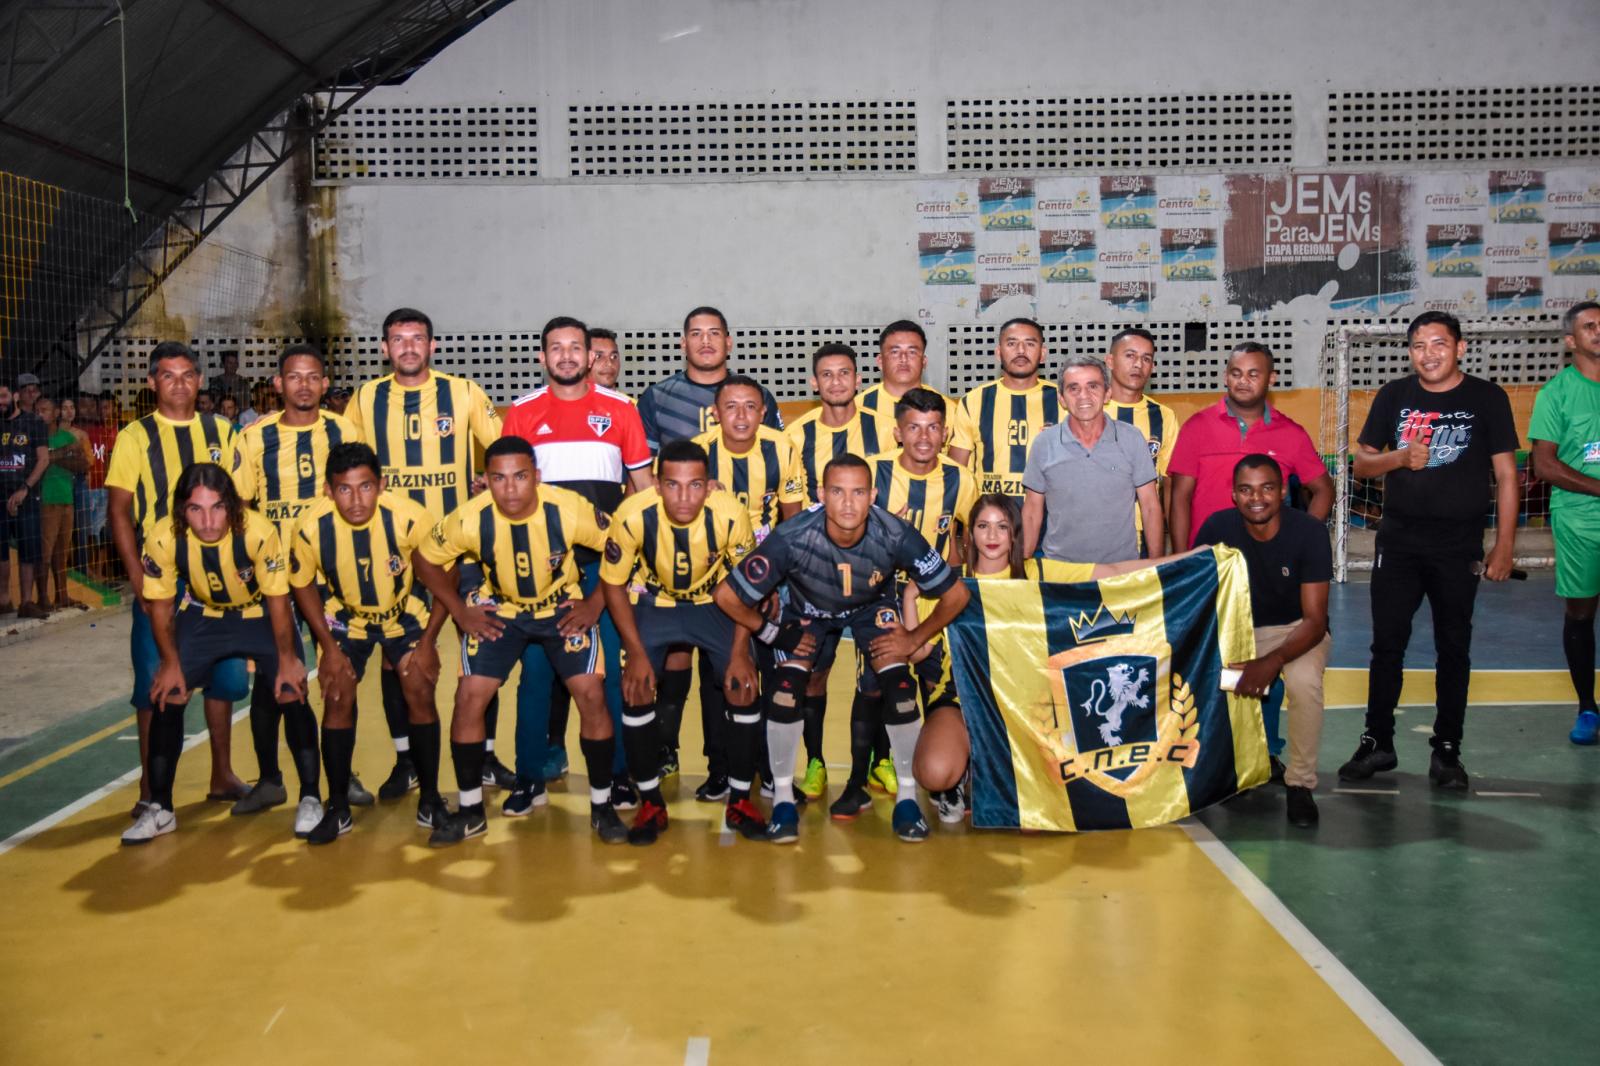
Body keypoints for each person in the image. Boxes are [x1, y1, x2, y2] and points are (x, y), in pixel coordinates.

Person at [714, 454, 972, 844]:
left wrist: (913, 638)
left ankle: (907, 800)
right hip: (810, 613)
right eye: (837, 491)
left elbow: (956, 595)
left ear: (873, 495)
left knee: (901, 693)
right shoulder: (792, 536)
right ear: (821, 494)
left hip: (871, 610)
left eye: (857, 492)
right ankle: (783, 800)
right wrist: (770, 633)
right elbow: (727, 597)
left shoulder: (895, 533)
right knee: (785, 693)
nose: (848, 503)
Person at [413, 436, 626, 846]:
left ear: (537, 477)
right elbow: (425, 559)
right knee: (469, 696)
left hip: (559, 608)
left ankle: (603, 808)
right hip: (502, 611)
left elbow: (620, 546)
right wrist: (459, 610)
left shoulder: (567, 508)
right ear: (487, 481)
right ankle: (472, 810)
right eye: (499, 479)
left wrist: (595, 603)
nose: (510, 489)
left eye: (520, 477)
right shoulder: (470, 518)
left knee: (591, 693)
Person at [1340, 311, 1519, 790]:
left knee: (1453, 648)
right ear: (1409, 352)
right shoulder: (1395, 396)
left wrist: (1504, 545)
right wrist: (1399, 457)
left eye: (1438, 343)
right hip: (1398, 541)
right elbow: (1361, 465)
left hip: (1458, 545)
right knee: (1386, 646)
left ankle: (1447, 750)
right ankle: (1377, 741)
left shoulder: (1487, 397)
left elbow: (1506, 475)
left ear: (1459, 348)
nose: (1428, 353)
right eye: (1418, 345)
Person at [911, 494, 1169, 817]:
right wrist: (910, 597)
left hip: (1027, 707)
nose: (992, 536)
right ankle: (960, 772)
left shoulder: (1035, 572)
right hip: (962, 699)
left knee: (1047, 807)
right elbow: (919, 654)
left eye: (1002, 527)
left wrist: (1187, 560)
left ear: (1014, 534)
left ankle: (985, 770)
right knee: (934, 771)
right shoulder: (951, 582)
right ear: (970, 534)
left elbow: (1113, 571)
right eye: (983, 526)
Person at [346, 307, 510, 798]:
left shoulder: (462, 393)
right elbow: (350, 464)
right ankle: (406, 761)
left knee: (482, 649)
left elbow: (503, 450)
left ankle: (484, 757)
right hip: (391, 552)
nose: (409, 347)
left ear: (432, 346)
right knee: (394, 658)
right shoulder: (367, 398)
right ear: (384, 348)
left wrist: (487, 483)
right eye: (399, 340)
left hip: (460, 552)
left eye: (417, 339)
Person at [499, 316, 653, 816]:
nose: (566, 356)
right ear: (543, 357)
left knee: (608, 676)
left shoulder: (622, 410)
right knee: (537, 677)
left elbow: (642, 492)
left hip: (604, 572)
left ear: (591, 357)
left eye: (575, 348)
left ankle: (618, 777)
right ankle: (529, 777)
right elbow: (506, 496)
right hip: (540, 574)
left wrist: (635, 566)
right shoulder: (521, 414)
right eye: (555, 348)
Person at [122, 463, 310, 844]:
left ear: (232, 507)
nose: (208, 521)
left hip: (259, 614)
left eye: (217, 507)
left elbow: (278, 599)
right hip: (204, 617)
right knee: (168, 695)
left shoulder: (258, 531)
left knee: (292, 691)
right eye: (196, 509)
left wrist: (288, 658)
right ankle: (160, 808)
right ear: (181, 511)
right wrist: (171, 664)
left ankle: (311, 798)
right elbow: (160, 606)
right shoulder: (162, 538)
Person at [105, 342, 252, 812]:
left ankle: (222, 774)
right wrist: (138, 580)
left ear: (200, 379)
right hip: (162, 579)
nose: (179, 383)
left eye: (187, 374)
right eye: (168, 375)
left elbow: (241, 503)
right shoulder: (136, 436)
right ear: (152, 383)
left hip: (218, 578)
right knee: (155, 684)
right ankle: (151, 788)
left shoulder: (223, 431)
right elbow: (119, 512)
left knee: (225, 680)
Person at [600, 439, 766, 844]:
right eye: (672, 485)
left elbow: (749, 587)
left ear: (709, 486)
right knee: (636, 688)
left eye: (694, 485)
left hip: (713, 605)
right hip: (654, 604)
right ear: (656, 485)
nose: (683, 496)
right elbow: (613, 584)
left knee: (743, 687)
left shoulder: (730, 514)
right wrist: (636, 652)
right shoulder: (633, 514)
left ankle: (741, 800)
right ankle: (651, 803)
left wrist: (742, 651)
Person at [229, 343, 367, 815]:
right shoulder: (253, 438)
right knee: (274, 677)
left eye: (313, 377)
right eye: (294, 376)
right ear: (278, 384)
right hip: (276, 580)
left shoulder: (343, 428)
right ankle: (270, 779)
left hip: (332, 575)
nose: (304, 385)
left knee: (338, 676)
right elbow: (241, 510)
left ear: (325, 384)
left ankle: (342, 773)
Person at [287, 443, 449, 843]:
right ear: (328, 489)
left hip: (404, 615)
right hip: (346, 619)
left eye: (365, 488)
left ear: (382, 485)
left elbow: (447, 579)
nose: (356, 500)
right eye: (344, 489)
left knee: (419, 690)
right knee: (337, 694)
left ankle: (430, 798)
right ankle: (338, 807)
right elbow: (302, 584)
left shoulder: (411, 518)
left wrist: (428, 641)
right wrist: (327, 647)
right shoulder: (310, 526)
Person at [851, 387, 977, 820]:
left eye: (933, 428)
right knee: (878, 681)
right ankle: (863, 776)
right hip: (881, 593)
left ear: (944, 433)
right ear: (898, 432)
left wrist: (961, 593)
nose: (924, 437)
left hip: (937, 596)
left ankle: (944, 780)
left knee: (933, 681)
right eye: (914, 428)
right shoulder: (874, 472)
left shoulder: (960, 478)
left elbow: (963, 539)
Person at [1195, 455, 1332, 828]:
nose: (1257, 498)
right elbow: (1194, 589)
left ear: (1283, 492)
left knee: (1304, 685)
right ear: (1234, 496)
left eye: (1267, 488)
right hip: (1239, 630)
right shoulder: (1217, 528)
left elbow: (1316, 621)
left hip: (1296, 630)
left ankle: (1300, 784)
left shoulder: (1309, 533)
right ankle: (1226, 772)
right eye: (1246, 490)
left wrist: (1271, 662)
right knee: (1214, 683)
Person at [1168, 342, 1333, 550]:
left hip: (1269, 557)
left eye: (1253, 375)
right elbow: (1180, 498)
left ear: (1271, 378)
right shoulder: (1196, 427)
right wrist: (1182, 560)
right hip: (1208, 559)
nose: (1243, 381)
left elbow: (1324, 489)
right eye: (1236, 374)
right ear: (1225, 377)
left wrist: (1300, 540)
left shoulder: (1291, 434)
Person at [1528, 301, 1600, 744]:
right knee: (1581, 611)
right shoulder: (1556, 393)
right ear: (1571, 341)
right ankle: (1587, 708)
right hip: (1579, 520)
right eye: (1590, 327)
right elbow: (1544, 466)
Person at [1021, 354, 1162, 565]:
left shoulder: (1132, 438)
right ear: (1062, 399)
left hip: (1121, 572)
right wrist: (1021, 569)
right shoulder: (1044, 443)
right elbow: (1032, 511)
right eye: (1073, 388)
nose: (1083, 396)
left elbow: (1150, 506)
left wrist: (1157, 567)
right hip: (1061, 572)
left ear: (1107, 394)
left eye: (1093, 386)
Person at [637, 306, 783, 454]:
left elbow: (778, 458)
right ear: (683, 345)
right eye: (696, 334)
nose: (705, 340)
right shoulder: (655, 398)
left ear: (729, 343)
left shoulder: (758, 396)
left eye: (714, 333)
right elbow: (643, 469)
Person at [949, 318, 1062, 503]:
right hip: (990, 519)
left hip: (1050, 520)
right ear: (998, 352)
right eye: (1012, 343)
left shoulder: (1063, 401)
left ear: (1043, 354)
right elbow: (955, 472)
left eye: (1030, 343)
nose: (1020, 351)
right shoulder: (973, 401)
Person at [1104, 327, 1178, 554]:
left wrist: (1171, 547)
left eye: (1146, 358)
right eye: (1130, 355)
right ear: (1110, 360)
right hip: (1093, 531)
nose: (1138, 364)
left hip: (1146, 533)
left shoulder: (1164, 416)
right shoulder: (1088, 409)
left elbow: (1170, 487)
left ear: (1153, 367)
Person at [855, 320, 971, 454]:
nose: (903, 359)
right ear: (880, 361)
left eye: (912, 352)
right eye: (894, 352)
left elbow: (957, 470)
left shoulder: (951, 411)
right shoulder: (857, 407)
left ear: (924, 362)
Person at [1, 378, 50, 618]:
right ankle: (4, 601)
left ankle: (27, 602)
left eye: (3, 397)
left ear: (15, 396)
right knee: (1, 552)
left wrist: (25, 488)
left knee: (29, 550)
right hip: (0, 497)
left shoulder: (33, 423)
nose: (0, 403)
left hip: (27, 496)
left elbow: (43, 460)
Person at [38, 396, 88, 612]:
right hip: (46, 501)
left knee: (62, 551)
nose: (40, 414)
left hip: (66, 499)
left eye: (45, 410)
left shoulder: (66, 436)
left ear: (55, 412)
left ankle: (62, 595)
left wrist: (53, 458)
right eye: (38, 410)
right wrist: (64, 453)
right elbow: (39, 462)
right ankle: (43, 597)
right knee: (45, 552)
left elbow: (83, 464)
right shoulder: (35, 438)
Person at [78, 392, 118, 583]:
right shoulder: (79, 430)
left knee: (100, 531)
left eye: (92, 406)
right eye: (86, 406)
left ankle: (97, 571)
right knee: (87, 532)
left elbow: (110, 458)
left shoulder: (108, 431)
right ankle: (87, 570)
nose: (92, 410)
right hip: (87, 488)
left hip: (104, 488)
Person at [588, 327, 625, 392]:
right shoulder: (568, 400)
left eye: (614, 357)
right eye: (598, 356)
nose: (609, 363)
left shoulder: (631, 402)